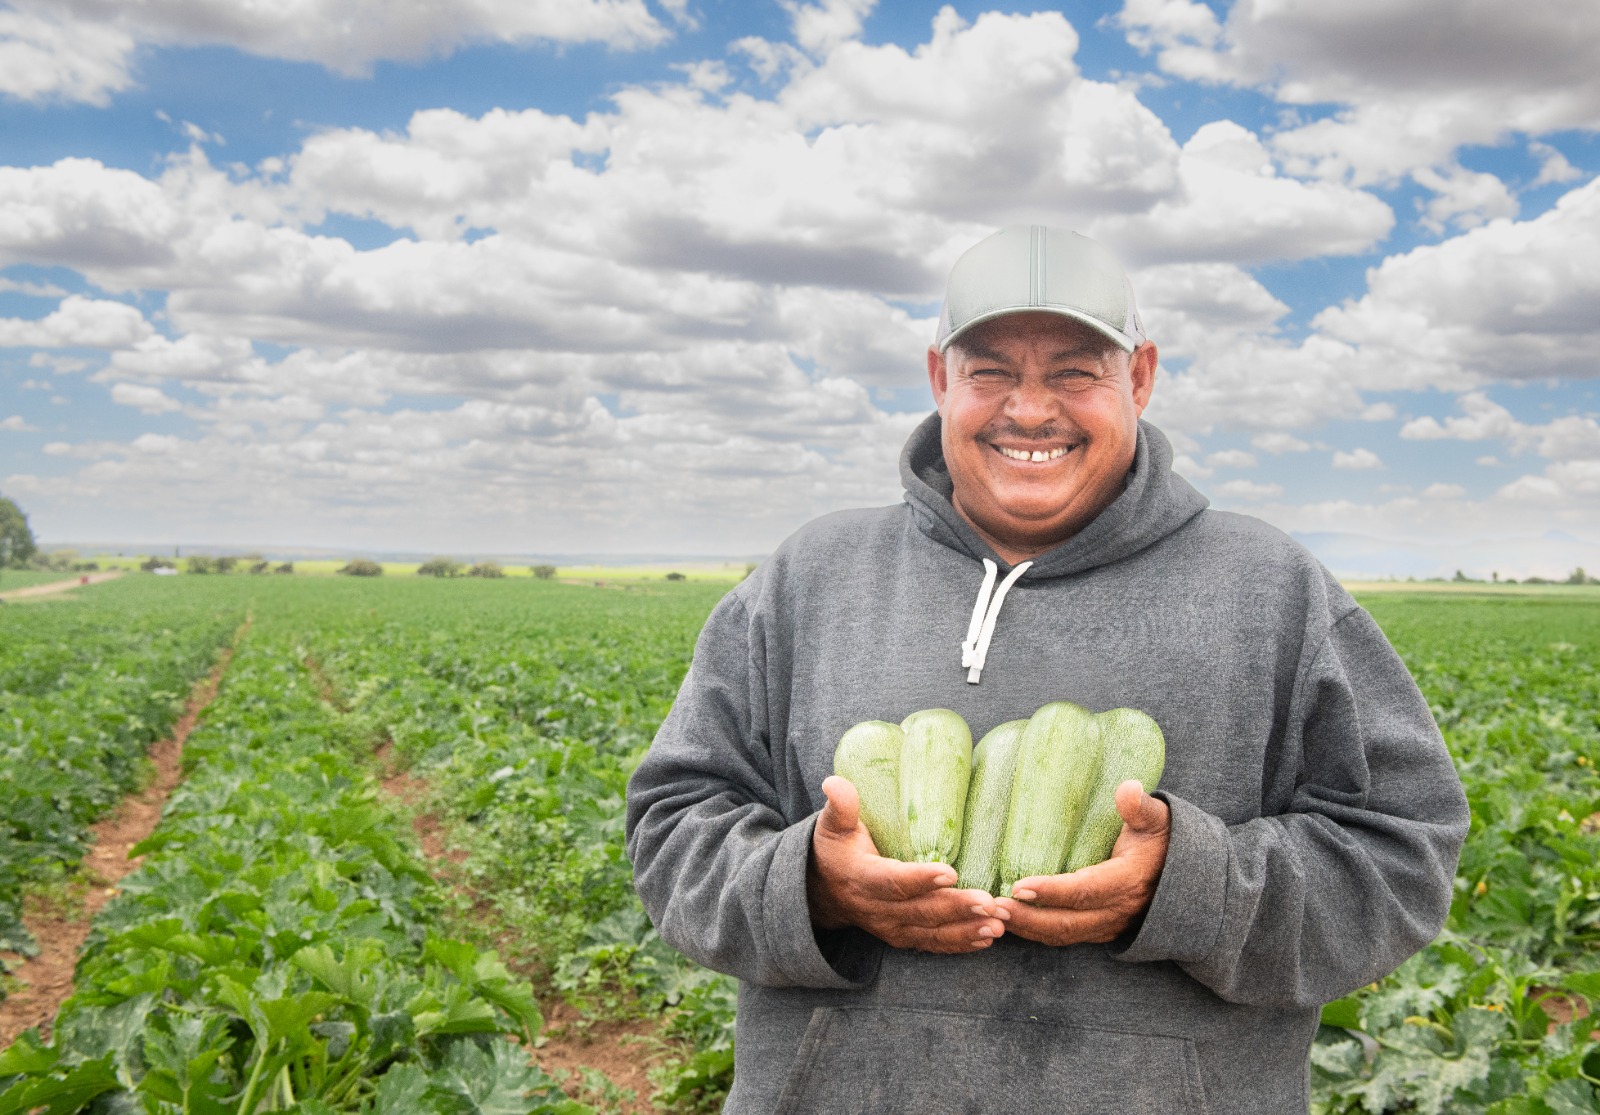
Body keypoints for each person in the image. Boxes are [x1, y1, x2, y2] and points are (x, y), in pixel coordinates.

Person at [625, 225, 1469, 1114]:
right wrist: (814, 887)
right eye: (990, 370)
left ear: (1139, 377)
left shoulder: (1274, 590)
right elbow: (674, 823)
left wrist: (1188, 888)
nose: (1031, 410)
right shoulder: (810, 577)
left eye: (1074, 371)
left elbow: (1404, 856)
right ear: (938, 377)